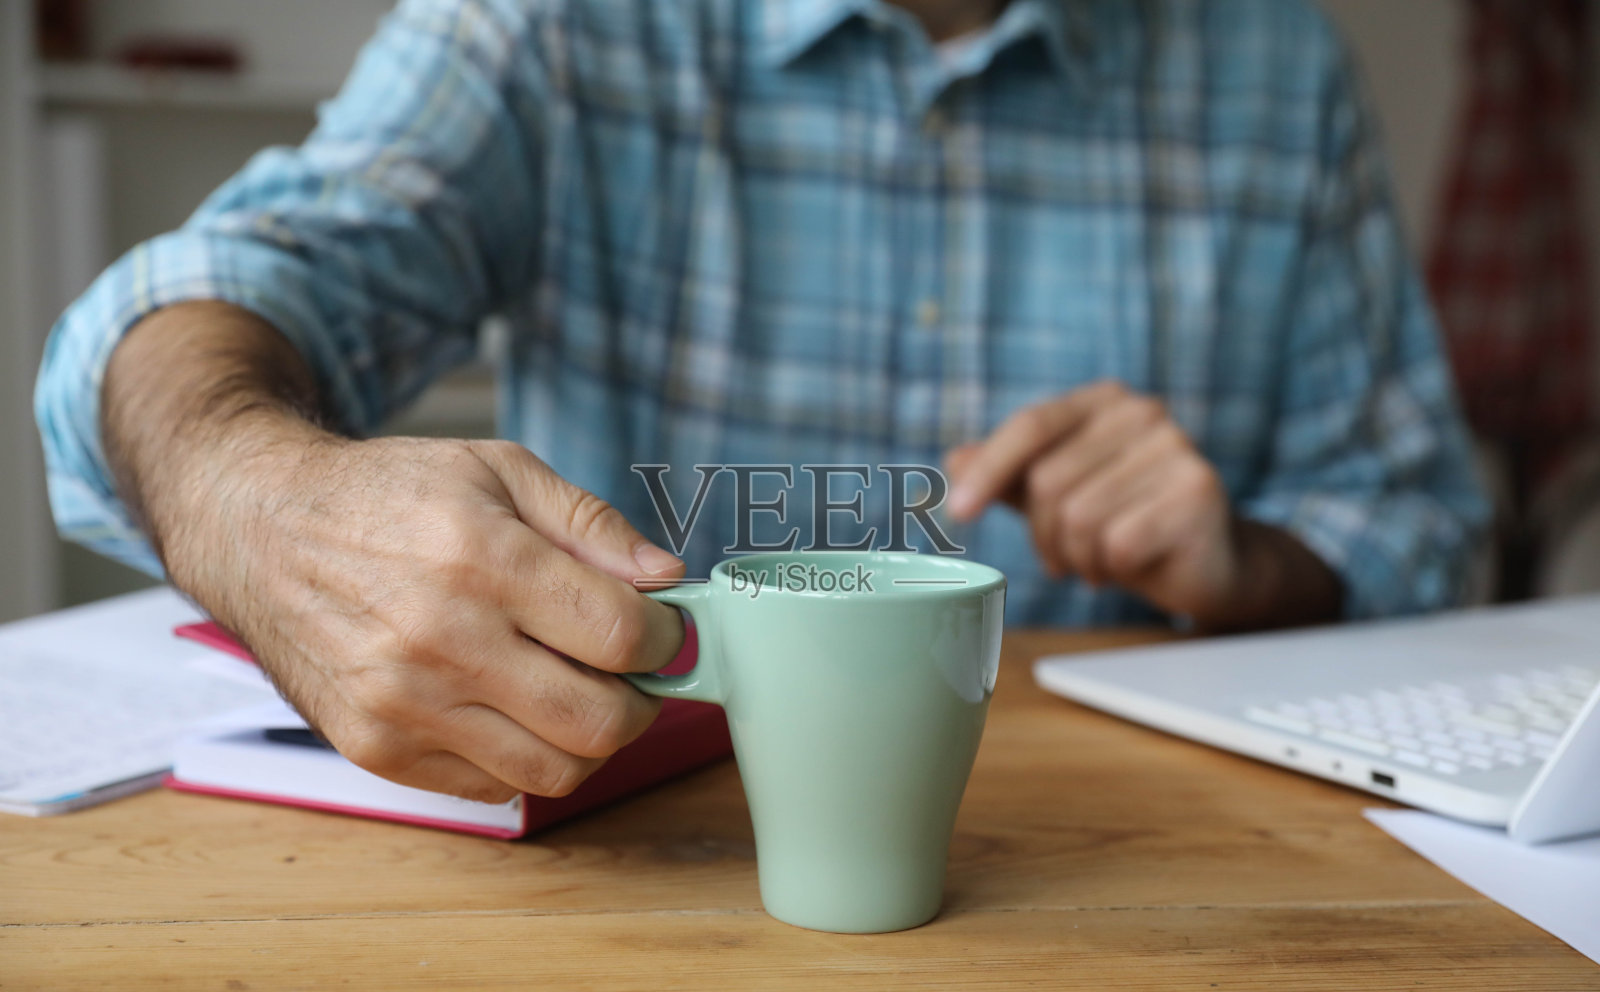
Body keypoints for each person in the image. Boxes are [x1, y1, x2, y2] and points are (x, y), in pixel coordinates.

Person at [35, 0, 1487, 804]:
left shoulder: (1278, 67)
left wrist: (1244, 563)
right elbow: (211, 294)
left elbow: (1422, 523)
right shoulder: (550, 28)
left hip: (1133, 870)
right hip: (617, 880)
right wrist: (259, 497)